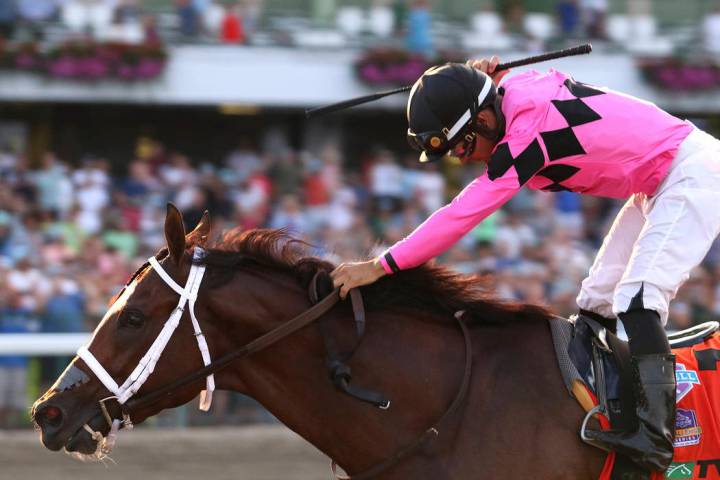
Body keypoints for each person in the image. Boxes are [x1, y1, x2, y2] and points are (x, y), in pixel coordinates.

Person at [330, 56, 720, 472]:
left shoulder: (527, 131)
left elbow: (462, 214)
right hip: (657, 183)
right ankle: (607, 409)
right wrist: (489, 84)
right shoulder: (510, 103)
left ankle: (655, 437)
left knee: (638, 299)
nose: (463, 159)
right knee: (595, 302)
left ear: (483, 118)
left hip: (692, 173)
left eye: (463, 145)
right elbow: (517, 94)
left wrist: (383, 265)